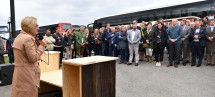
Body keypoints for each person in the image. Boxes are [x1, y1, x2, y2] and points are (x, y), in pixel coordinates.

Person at [11, 16, 46, 97]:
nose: (38, 28)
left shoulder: (19, 37)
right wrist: (41, 46)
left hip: (20, 73)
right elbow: (33, 58)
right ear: (30, 26)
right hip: (27, 74)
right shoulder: (28, 38)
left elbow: (23, 56)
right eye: (36, 26)